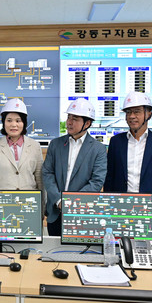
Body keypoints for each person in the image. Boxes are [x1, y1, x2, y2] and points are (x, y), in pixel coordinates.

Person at [104, 92, 152, 240]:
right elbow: (109, 177)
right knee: (120, 247)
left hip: (150, 209)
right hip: (120, 208)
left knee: (146, 249)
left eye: (137, 112)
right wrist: (108, 206)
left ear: (148, 114)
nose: (132, 116)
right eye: (128, 112)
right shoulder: (116, 142)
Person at [42, 98, 107, 236]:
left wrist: (72, 203)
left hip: (81, 215)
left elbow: (96, 182)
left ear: (87, 123)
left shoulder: (98, 149)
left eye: (75, 119)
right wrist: (59, 200)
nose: (69, 122)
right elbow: (47, 173)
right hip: (55, 213)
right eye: (69, 117)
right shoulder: (55, 144)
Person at [0, 98, 44, 197]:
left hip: (29, 201)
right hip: (3, 201)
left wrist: (42, 204)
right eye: (9, 120)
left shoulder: (35, 146)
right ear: (4, 122)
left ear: (24, 123)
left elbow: (40, 180)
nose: (13, 125)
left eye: (18, 121)